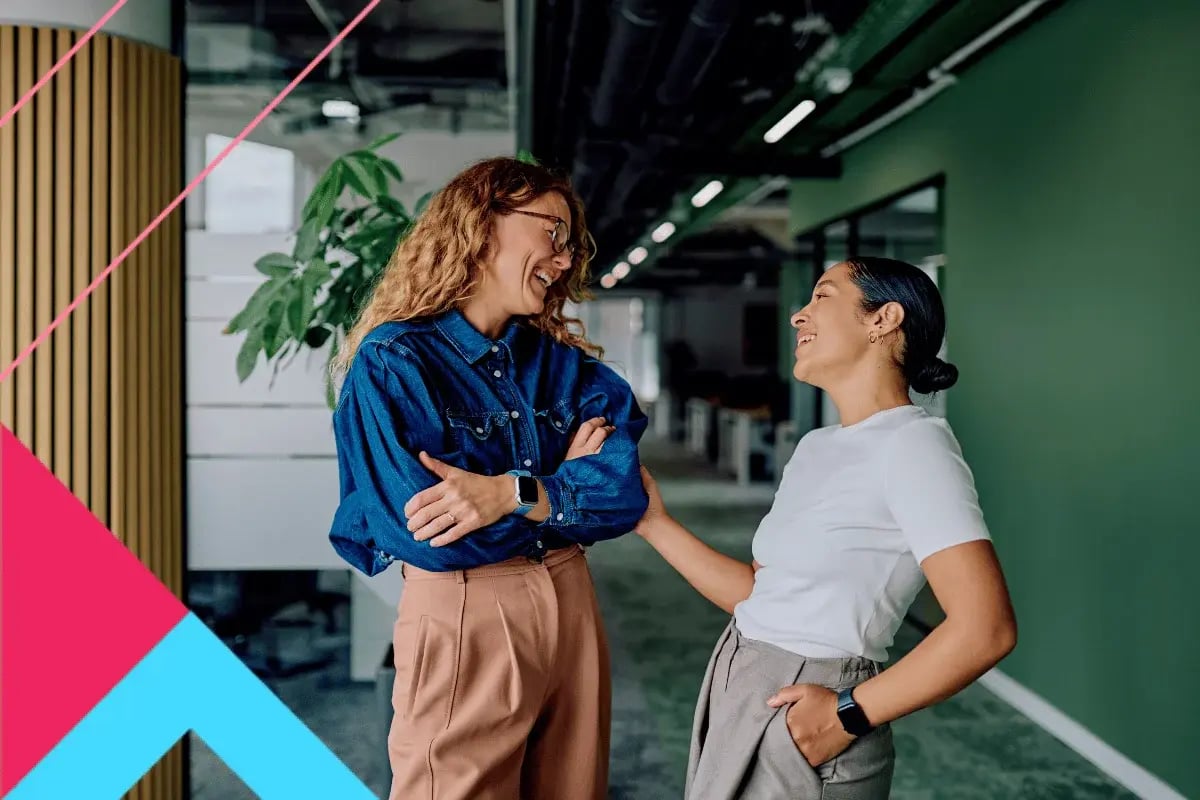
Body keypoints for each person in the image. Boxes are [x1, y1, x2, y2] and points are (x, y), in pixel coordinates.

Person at [326, 156, 650, 800]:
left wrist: (510, 493)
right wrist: (563, 491)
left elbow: (623, 496)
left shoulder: (567, 369)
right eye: (553, 233)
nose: (563, 261)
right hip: (468, 602)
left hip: (572, 599)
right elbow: (424, 533)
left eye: (570, 245)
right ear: (483, 222)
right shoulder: (395, 363)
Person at [635, 257, 1018, 799]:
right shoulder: (818, 446)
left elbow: (986, 628)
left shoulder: (915, 445)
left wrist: (845, 716)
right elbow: (762, 596)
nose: (799, 315)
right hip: (741, 680)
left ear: (882, 319)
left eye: (823, 296)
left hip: (814, 707)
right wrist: (654, 524)